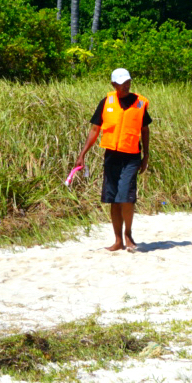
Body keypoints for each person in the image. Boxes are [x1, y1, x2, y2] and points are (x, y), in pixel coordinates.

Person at [73, 68, 152, 253]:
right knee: (114, 199)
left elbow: (145, 130)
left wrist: (146, 155)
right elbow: (95, 130)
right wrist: (82, 154)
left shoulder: (141, 103)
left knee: (126, 196)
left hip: (132, 156)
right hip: (112, 156)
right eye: (122, 83)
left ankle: (128, 235)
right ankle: (118, 240)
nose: (126, 86)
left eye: (128, 82)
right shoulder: (106, 102)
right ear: (113, 84)